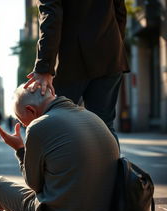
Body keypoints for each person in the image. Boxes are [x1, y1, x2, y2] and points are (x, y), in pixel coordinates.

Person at [24, 0, 129, 145]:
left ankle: (66, 167)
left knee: (57, 126)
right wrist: (114, 45)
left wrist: (44, 67)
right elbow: (120, 12)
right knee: (104, 127)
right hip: (109, 56)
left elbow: (51, 15)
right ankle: (110, 168)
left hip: (70, 61)